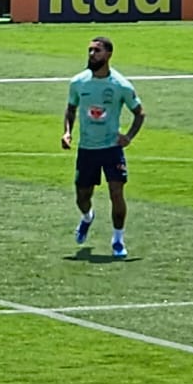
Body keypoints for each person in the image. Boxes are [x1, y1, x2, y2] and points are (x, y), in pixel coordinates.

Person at [61, 36, 146, 259]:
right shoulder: (78, 82)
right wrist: (68, 132)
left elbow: (139, 113)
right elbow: (71, 109)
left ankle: (118, 239)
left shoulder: (121, 85)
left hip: (111, 149)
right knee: (82, 196)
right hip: (87, 149)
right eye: (90, 50)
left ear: (108, 55)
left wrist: (128, 136)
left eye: (96, 51)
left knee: (116, 193)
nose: (91, 54)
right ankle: (88, 217)